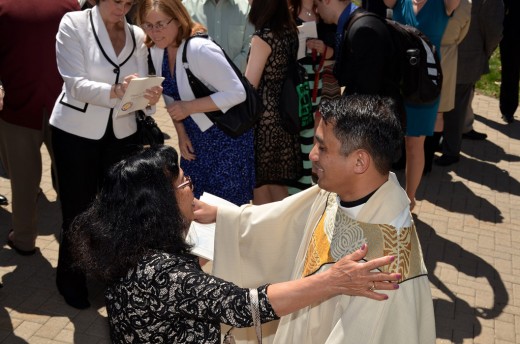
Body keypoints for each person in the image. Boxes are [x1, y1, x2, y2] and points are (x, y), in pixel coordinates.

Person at [67, 144, 401, 343]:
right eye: (185, 185)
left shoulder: (127, 247)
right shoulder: (162, 273)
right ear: (160, 205)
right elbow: (246, 306)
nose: (191, 192)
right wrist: (330, 281)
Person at [195, 95, 436, 344]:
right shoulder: (335, 193)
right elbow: (282, 220)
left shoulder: (386, 267)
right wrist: (224, 217)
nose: (312, 155)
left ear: (360, 161)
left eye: (322, 147)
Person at [50, 0, 163, 309]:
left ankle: (111, 276)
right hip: (75, 133)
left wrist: (149, 96)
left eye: (129, 3)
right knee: (78, 209)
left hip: (122, 131)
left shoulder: (137, 34)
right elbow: (74, 84)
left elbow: (138, 86)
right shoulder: (73, 24)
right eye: (117, 1)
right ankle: (70, 279)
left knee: (118, 210)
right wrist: (116, 90)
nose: (123, 8)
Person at [136, 0, 255, 206]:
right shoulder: (158, 50)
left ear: (178, 18)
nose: (154, 32)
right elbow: (171, 97)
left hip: (226, 140)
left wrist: (188, 107)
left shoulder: (199, 48)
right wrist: (181, 134)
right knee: (193, 206)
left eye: (160, 24)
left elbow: (238, 93)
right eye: (148, 25)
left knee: (223, 212)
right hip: (195, 140)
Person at [0, 0, 80, 255]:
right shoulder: (68, 4)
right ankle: (78, 239)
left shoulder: (4, 7)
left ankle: (24, 239)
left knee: (23, 183)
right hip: (64, 106)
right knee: (71, 178)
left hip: (18, 106)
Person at [384, 0, 460, 210]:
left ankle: (409, 199)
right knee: (387, 137)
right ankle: (379, 192)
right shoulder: (400, 2)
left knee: (414, 144)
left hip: (425, 84)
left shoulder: (444, 4)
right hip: (397, 79)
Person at [314, 0, 405, 127]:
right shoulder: (355, 24)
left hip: (377, 126)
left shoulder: (362, 28)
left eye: (316, 5)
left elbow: (368, 91)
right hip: (374, 119)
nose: (317, 10)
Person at [434, 0, 503, 166]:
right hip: (447, 54)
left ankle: (451, 151)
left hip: (466, 59)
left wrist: (484, 53)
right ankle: (437, 142)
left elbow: (494, 32)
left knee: (456, 109)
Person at [246, 0, 302, 205]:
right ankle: (287, 232)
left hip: (263, 120)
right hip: (284, 115)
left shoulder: (262, 38)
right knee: (278, 183)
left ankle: (265, 234)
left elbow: (250, 85)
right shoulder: (290, 31)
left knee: (260, 182)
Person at [287, 0, 336, 194]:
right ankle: (293, 187)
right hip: (292, 85)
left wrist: (323, 48)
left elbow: (335, 52)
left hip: (316, 83)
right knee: (295, 132)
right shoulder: (288, 13)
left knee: (310, 133)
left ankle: (304, 184)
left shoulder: (325, 14)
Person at [423, 0, 471, 174]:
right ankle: (427, 161)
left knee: (418, 108)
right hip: (448, 59)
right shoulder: (465, 5)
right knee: (439, 113)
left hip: (424, 54)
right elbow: (462, 34)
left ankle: (415, 158)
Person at [182, 0, 254, 73]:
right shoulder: (186, 7)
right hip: (196, 81)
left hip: (233, 81)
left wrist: (227, 74)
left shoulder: (246, 8)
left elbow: (248, 50)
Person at [499, 0, 519, 124]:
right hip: (510, 33)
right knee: (511, 71)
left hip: (510, 32)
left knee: (511, 71)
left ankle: (508, 109)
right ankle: (508, 109)